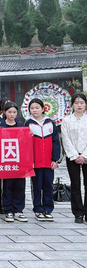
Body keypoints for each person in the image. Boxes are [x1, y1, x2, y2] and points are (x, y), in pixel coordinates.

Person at [25, 98, 60, 222]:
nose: (34, 110)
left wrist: (55, 159)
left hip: (48, 162)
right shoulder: (28, 124)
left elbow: (56, 142)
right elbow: (25, 144)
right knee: (36, 186)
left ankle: (48, 209)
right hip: (35, 162)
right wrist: (29, 160)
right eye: (32, 108)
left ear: (43, 109)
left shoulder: (50, 123)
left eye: (37, 107)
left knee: (48, 186)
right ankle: (38, 209)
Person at [61, 93, 87, 224]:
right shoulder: (66, 120)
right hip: (72, 156)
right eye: (76, 103)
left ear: (85, 104)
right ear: (72, 105)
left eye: (81, 102)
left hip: (86, 155)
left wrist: (84, 155)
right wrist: (76, 155)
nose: (79, 105)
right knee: (75, 185)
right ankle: (78, 213)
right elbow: (65, 139)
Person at [1, 102, 28, 223]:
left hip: (20, 161)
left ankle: (18, 209)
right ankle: (8, 210)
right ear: (4, 112)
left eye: (14, 112)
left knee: (20, 185)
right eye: (9, 112)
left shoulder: (21, 127)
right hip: (6, 160)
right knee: (7, 185)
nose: (12, 114)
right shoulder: (0, 127)